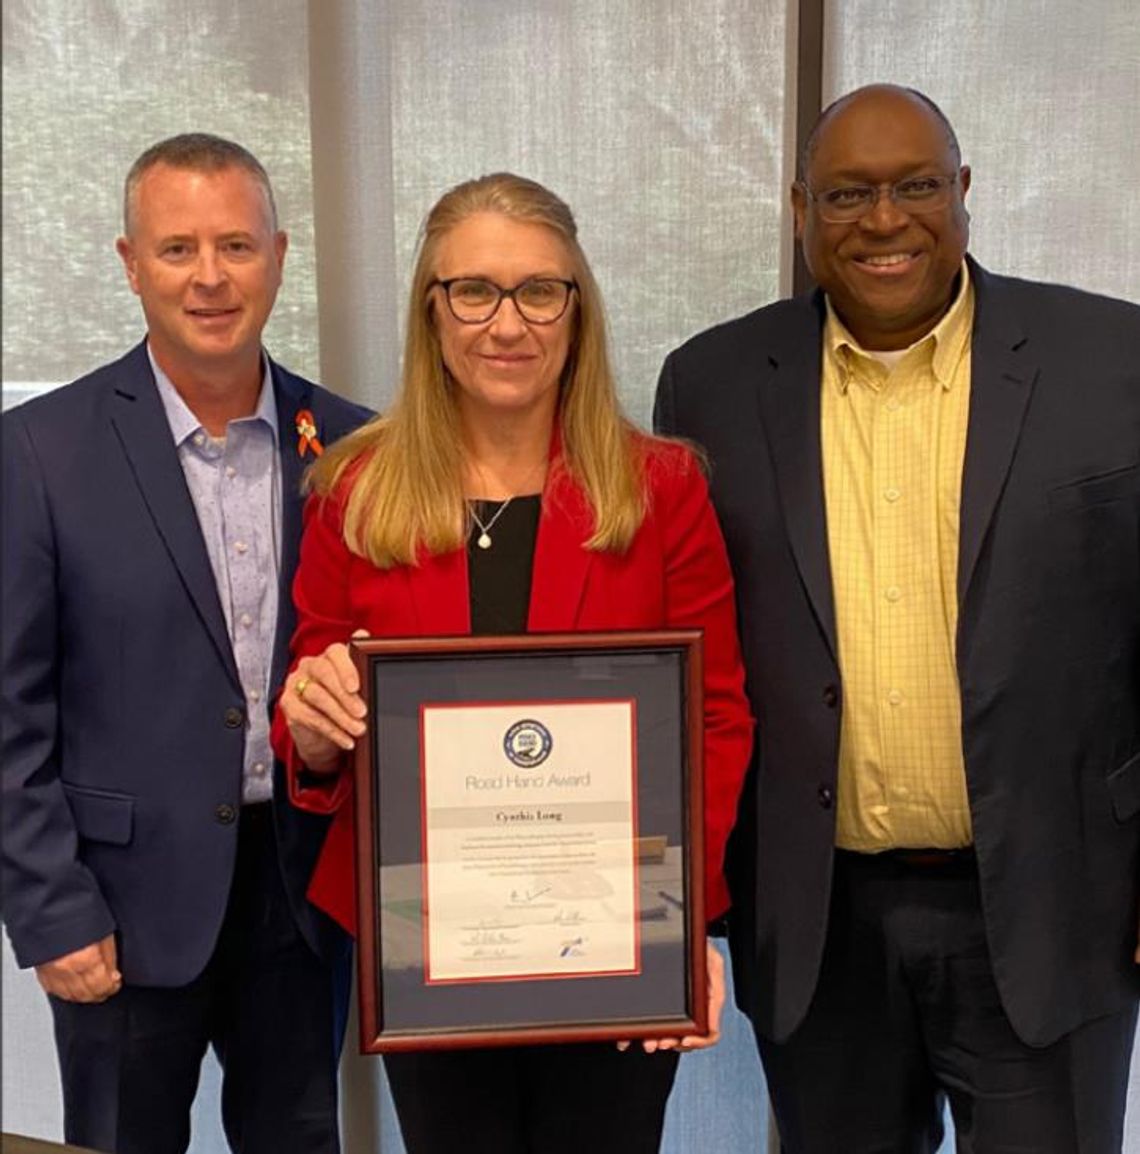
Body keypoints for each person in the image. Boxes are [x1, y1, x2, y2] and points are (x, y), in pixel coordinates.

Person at [654, 83, 1140, 1153]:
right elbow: (684, 650)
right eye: (849, 193)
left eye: (917, 186)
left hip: (1054, 909)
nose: (884, 219)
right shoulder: (713, 383)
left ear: (963, 192)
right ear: (800, 208)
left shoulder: (1113, 361)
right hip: (820, 923)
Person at [270, 171, 753, 1154]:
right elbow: (311, 718)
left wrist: (677, 924)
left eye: (540, 290)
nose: (508, 322)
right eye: (475, 290)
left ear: (577, 311)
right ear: (431, 310)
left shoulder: (662, 489)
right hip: (427, 940)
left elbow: (714, 716)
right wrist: (313, 731)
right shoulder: (352, 491)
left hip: (615, 939)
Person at [1, 133, 370, 1154]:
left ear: (280, 256)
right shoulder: (40, 452)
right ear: (130, 262)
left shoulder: (354, 446)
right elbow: (8, 713)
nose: (210, 276)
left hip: (300, 902)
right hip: (116, 907)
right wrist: (49, 907)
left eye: (237, 246)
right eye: (177, 249)